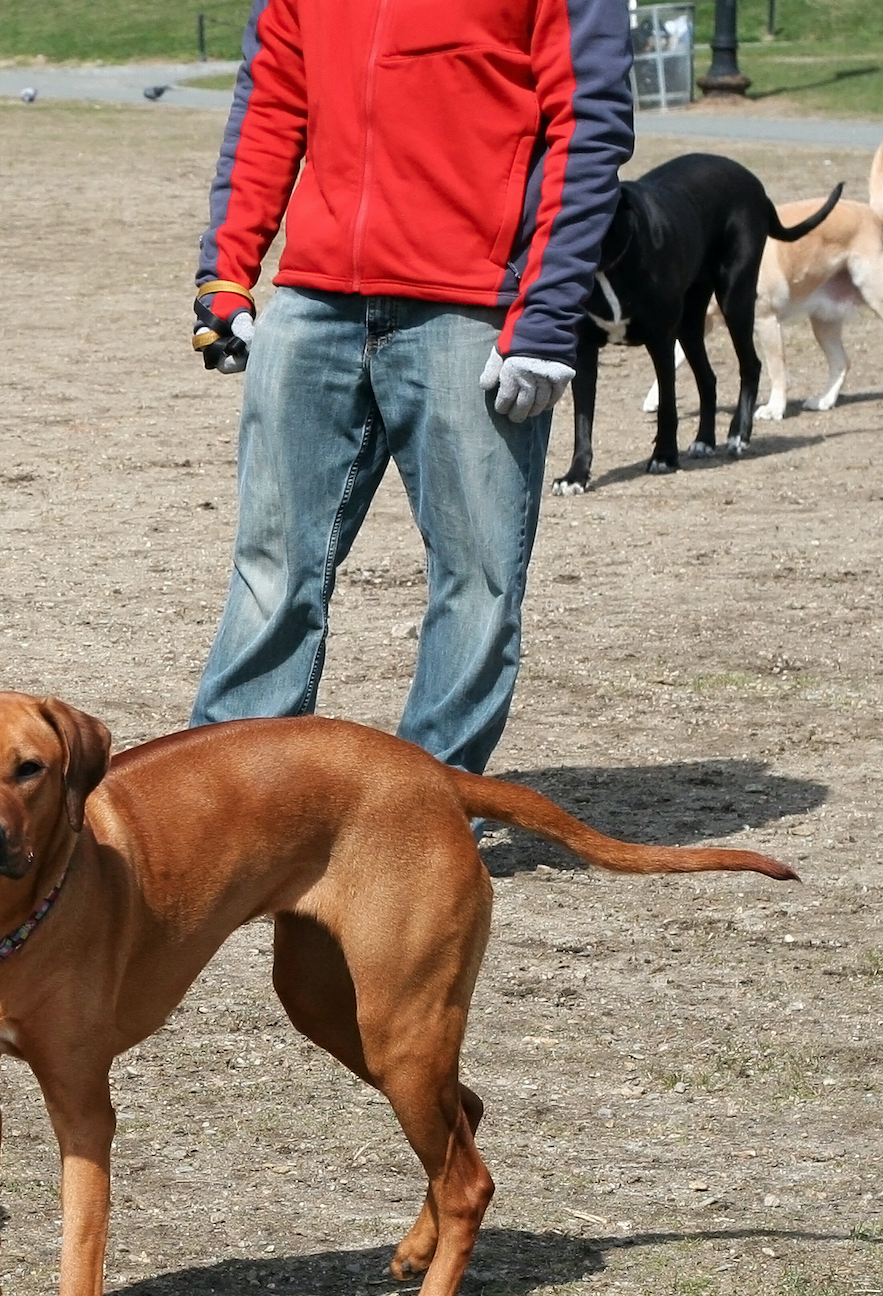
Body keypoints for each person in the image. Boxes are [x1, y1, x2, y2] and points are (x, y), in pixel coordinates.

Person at [187, 0, 633, 776]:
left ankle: (425, 810)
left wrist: (548, 314)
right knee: (271, 565)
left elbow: (587, 125)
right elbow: (269, 100)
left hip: (472, 309)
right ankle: (221, 798)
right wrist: (227, 270)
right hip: (314, 296)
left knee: (478, 577)